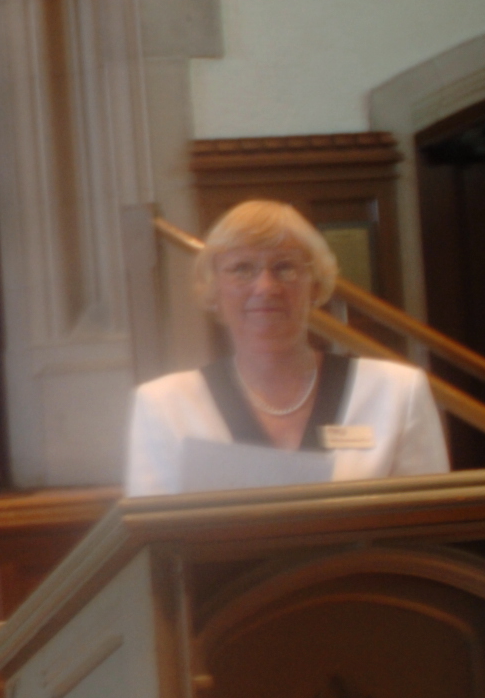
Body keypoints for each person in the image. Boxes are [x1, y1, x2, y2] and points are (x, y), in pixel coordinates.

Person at [126, 200, 449, 496]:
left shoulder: (397, 393)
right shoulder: (163, 405)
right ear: (214, 291)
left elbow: (429, 524)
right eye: (242, 269)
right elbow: (153, 536)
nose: (266, 287)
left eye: (285, 267)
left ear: (315, 286)